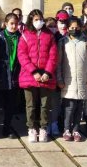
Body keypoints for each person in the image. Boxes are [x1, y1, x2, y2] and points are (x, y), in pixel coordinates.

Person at [17, 9, 58, 143]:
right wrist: (33, 72)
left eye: (40, 19)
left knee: (45, 104)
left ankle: (43, 128)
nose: (38, 22)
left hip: (46, 75)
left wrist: (47, 72)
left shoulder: (49, 35)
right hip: (30, 75)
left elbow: (53, 55)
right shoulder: (25, 35)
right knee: (31, 105)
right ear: (30, 20)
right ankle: (32, 128)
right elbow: (22, 55)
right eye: (35, 19)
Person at [57, 17, 87, 142]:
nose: (74, 29)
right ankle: (66, 129)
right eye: (71, 27)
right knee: (69, 107)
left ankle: (76, 129)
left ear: (80, 27)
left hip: (83, 79)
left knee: (79, 107)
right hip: (68, 81)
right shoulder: (63, 42)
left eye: (77, 27)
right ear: (68, 28)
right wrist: (59, 78)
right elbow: (58, 63)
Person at [0, 13, 21, 138]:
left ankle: (7, 126)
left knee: (11, 104)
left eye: (16, 24)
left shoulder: (21, 37)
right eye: (11, 23)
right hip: (1, 75)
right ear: (6, 24)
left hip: (14, 74)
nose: (14, 26)